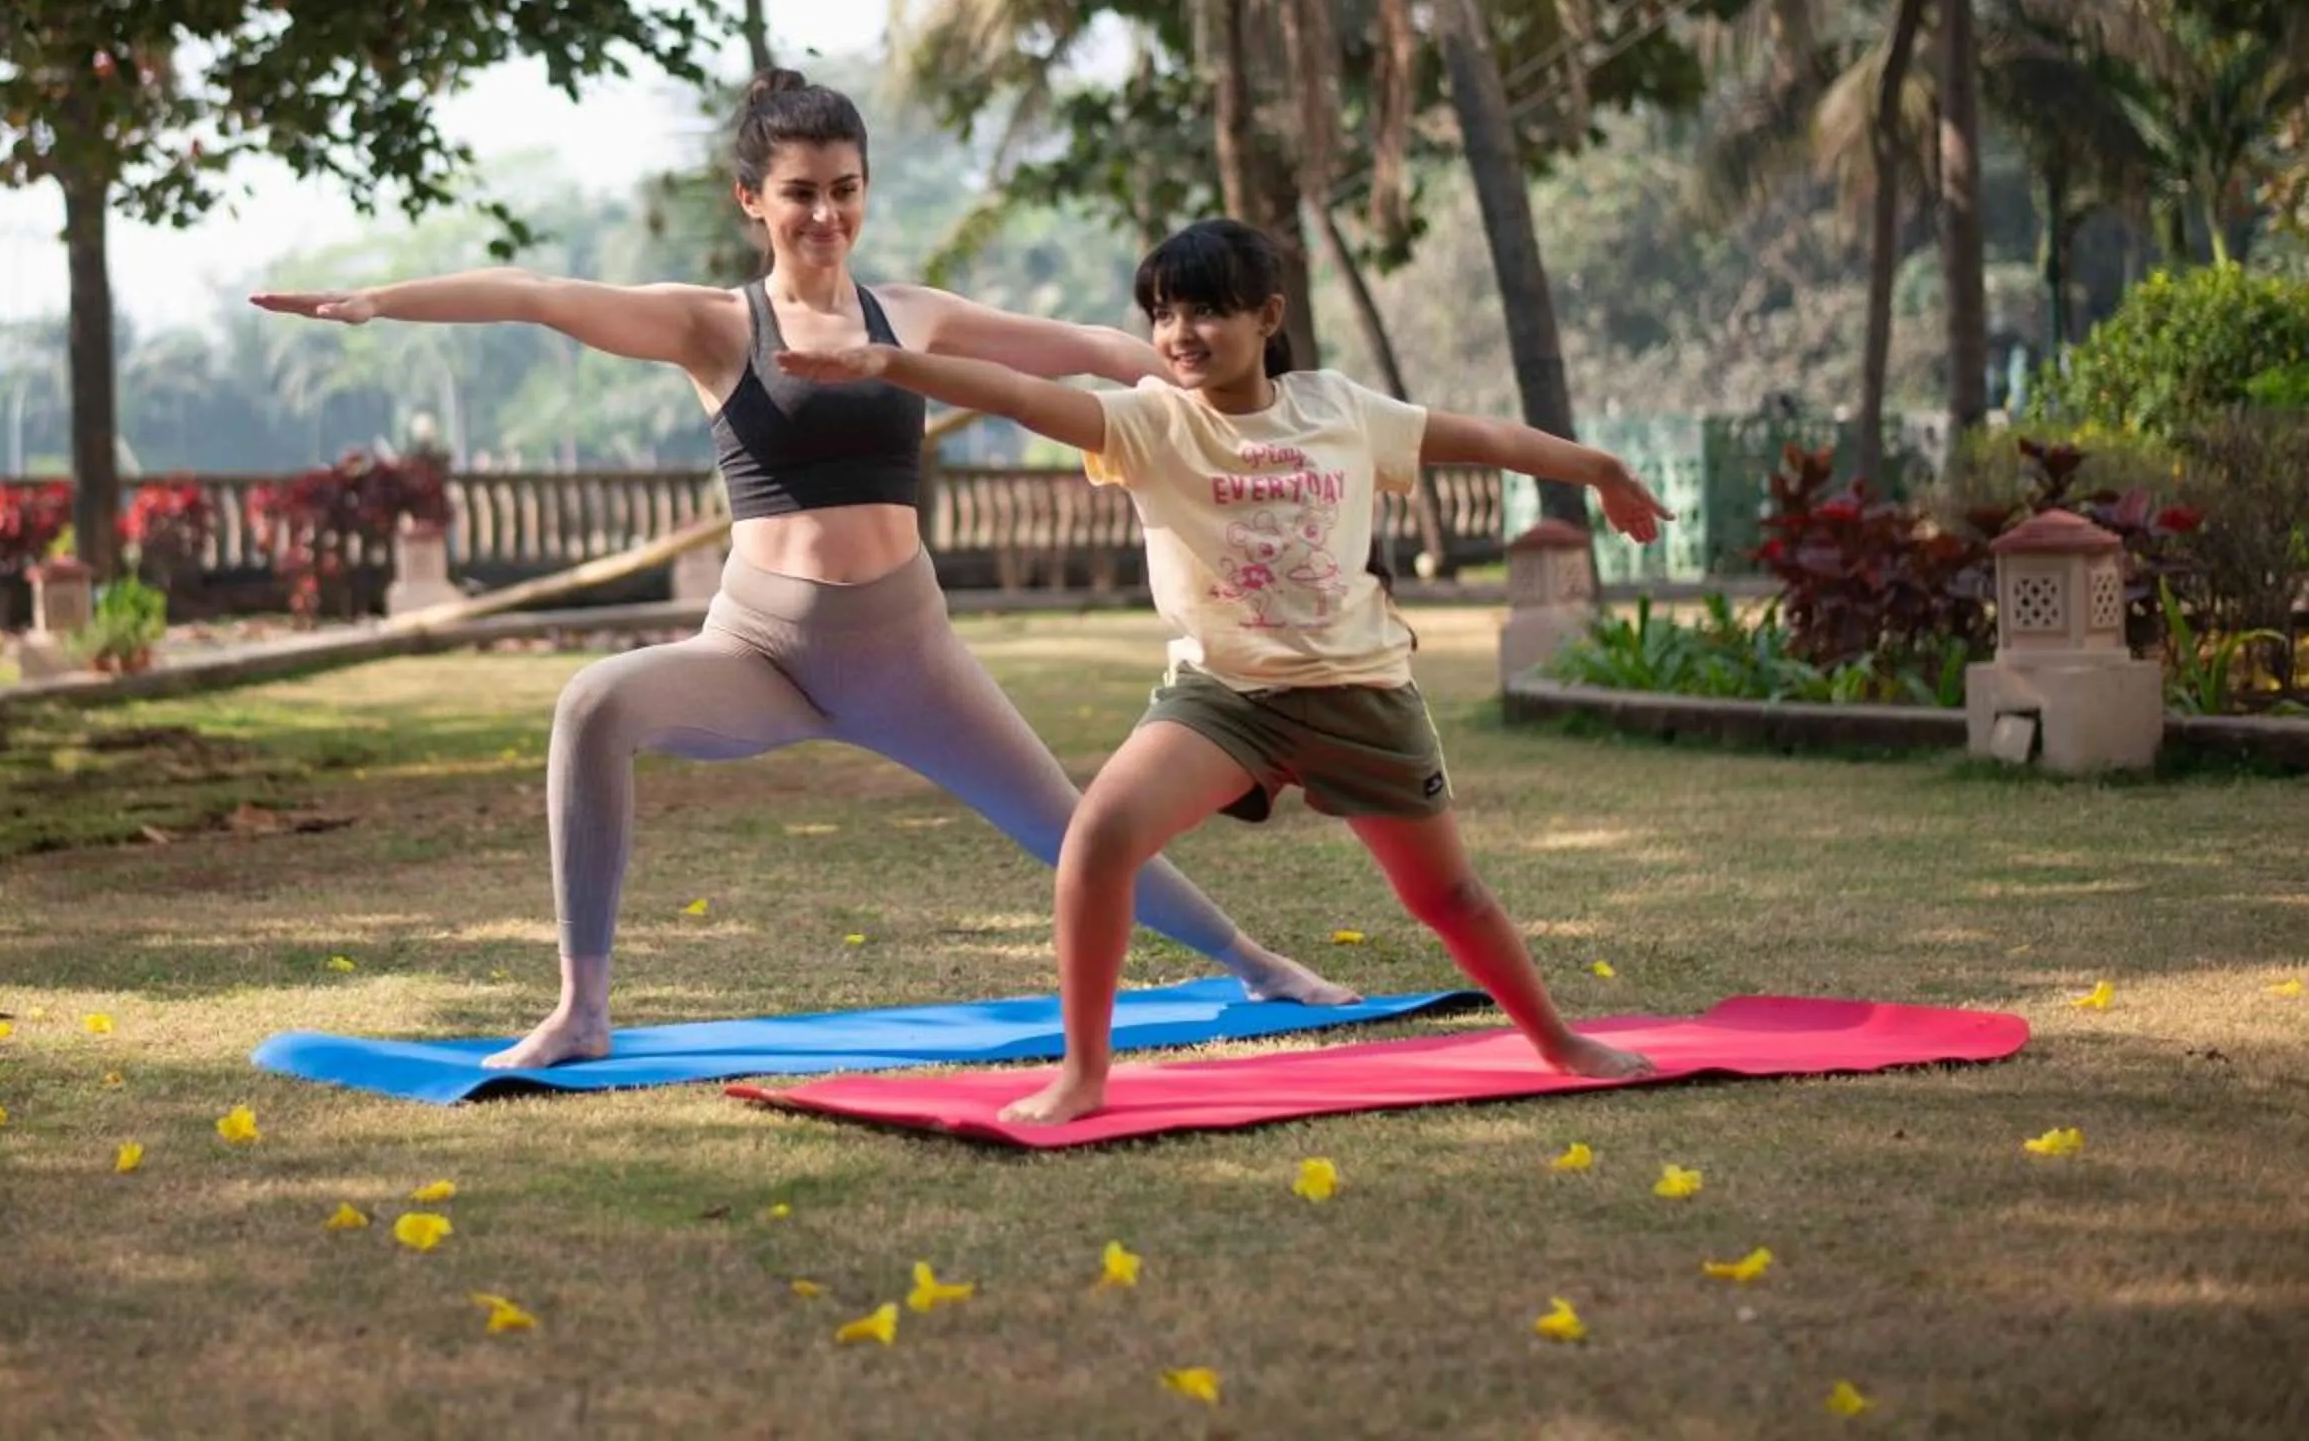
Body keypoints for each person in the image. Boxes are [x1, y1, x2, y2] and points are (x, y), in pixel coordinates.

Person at [251, 73, 1337, 1068]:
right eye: (801, 191)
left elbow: (1095, 348)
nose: (827, 214)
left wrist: (1257, 404)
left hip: (905, 651)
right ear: (751, 199)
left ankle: (1255, 961)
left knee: (1073, 825)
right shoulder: (716, 324)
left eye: (846, 188)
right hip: (758, 648)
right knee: (593, 703)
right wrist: (381, 301)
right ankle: (582, 1007)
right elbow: (540, 292)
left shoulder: (909, 315)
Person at [775, 217, 1668, 1124]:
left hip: (1361, 695)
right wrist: (889, 365)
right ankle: (1084, 1076)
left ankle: (1560, 1042)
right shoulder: (1151, 422)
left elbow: (1483, 438)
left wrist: (1598, 468)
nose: (1178, 334)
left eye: (1205, 311)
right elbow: (1016, 395)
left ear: (1267, 315)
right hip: (1225, 699)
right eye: (1162, 314)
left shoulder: (1338, 408)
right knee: (1098, 839)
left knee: (1447, 894)